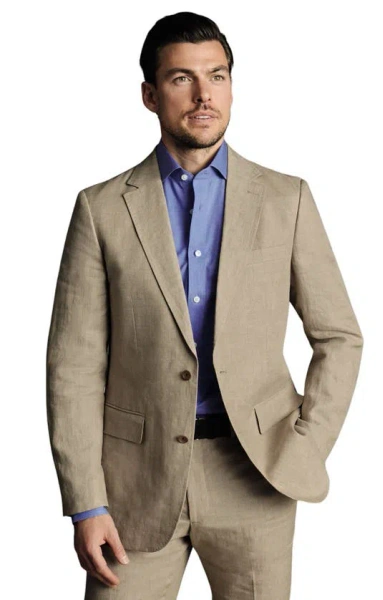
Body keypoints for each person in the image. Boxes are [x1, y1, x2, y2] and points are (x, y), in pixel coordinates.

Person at [46, 11, 364, 600]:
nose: (203, 95)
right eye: (181, 79)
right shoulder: (101, 209)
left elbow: (339, 336)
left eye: (217, 76)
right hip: (132, 482)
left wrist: (306, 445)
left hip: (257, 473)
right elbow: (74, 365)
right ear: (150, 95)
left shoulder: (286, 199)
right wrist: (85, 502)